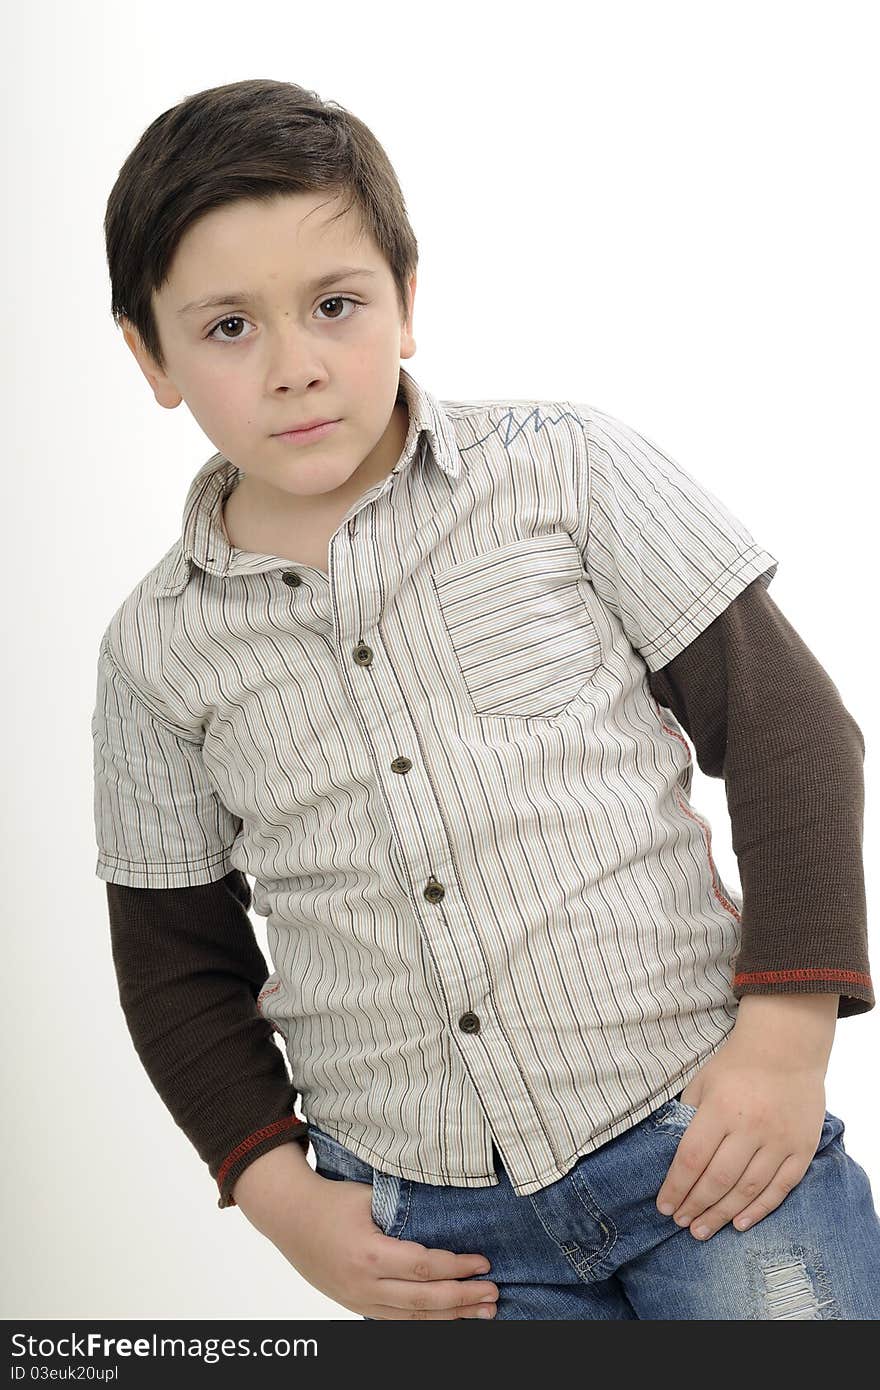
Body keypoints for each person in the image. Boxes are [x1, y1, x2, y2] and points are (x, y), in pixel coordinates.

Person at [92, 78, 879, 1320]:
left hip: (706, 1142)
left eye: (334, 306)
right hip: (436, 1238)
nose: (295, 367)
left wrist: (786, 1040)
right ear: (152, 357)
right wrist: (286, 1201)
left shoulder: (562, 470)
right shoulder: (154, 651)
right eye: (228, 328)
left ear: (406, 302)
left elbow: (789, 730)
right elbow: (173, 960)